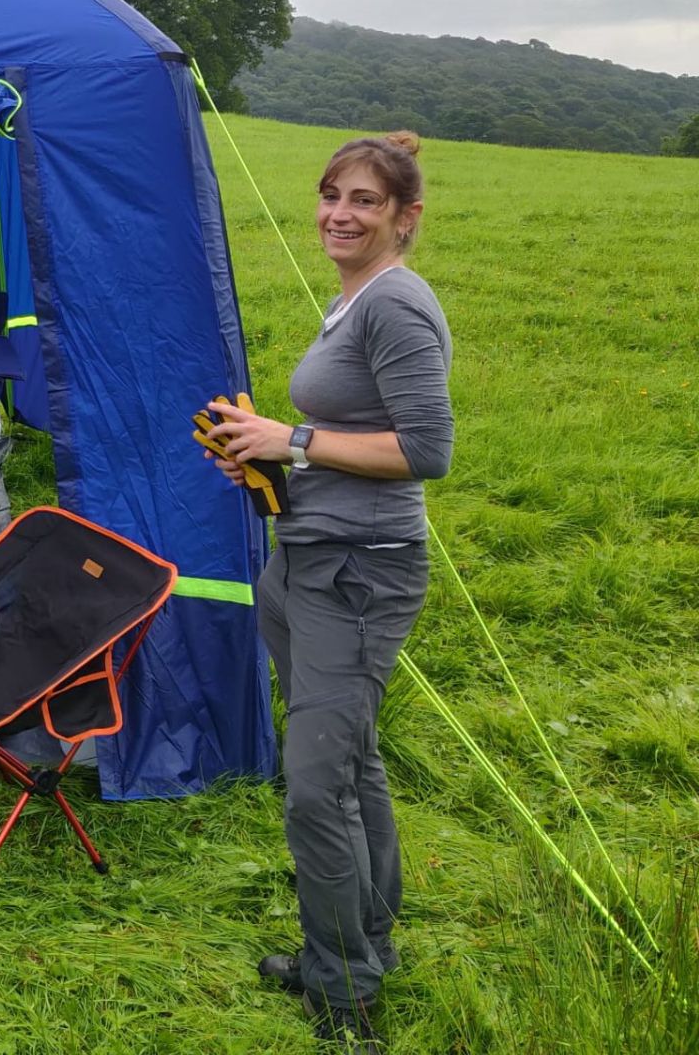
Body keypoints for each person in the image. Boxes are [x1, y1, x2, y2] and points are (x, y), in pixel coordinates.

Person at [203, 131, 453, 1046]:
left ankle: (344, 992)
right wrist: (267, 461)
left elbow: (426, 452)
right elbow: (350, 432)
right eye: (329, 194)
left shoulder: (398, 307)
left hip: (359, 572)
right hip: (306, 553)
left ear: (405, 216)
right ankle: (365, 944)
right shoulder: (355, 298)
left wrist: (292, 441)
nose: (338, 214)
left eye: (363, 201)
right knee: (352, 765)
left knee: (315, 788)